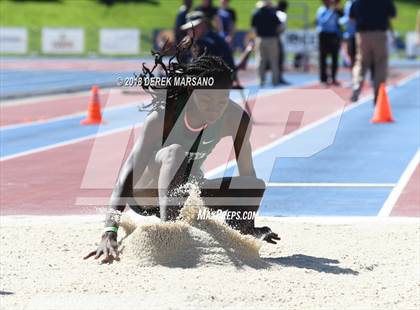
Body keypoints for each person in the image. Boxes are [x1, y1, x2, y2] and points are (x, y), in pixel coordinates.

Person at [84, 39, 280, 263]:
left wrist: (247, 224)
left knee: (254, 185)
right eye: (207, 99)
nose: (215, 108)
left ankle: (237, 236)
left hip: (186, 193)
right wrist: (109, 232)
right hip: (146, 195)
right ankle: (170, 235)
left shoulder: (237, 119)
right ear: (191, 90)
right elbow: (126, 176)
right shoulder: (163, 117)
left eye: (222, 101)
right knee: (175, 151)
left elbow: (247, 174)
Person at [350, 0, 397, 103]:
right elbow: (393, 15)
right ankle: (378, 94)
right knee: (380, 64)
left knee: (361, 63)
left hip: (362, 35)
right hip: (379, 34)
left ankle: (356, 86)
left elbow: (351, 17)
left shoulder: (357, 1)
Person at [251, 0, 282, 86]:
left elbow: (254, 29)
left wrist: (254, 39)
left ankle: (261, 80)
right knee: (274, 60)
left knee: (260, 60)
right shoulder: (272, 14)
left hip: (260, 39)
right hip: (272, 39)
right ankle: (275, 80)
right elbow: (279, 26)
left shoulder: (256, 14)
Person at [316, 0, 343, 86]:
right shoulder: (321, 10)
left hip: (333, 35)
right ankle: (323, 79)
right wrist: (331, 12)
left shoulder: (335, 10)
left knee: (334, 57)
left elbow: (341, 21)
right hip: (324, 35)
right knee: (323, 57)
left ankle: (333, 78)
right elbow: (323, 22)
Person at [275, 0, 290, 84]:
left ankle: (274, 77)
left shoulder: (273, 13)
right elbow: (281, 27)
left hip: (273, 38)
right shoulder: (283, 15)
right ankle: (279, 77)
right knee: (279, 59)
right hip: (279, 39)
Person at [340, 0, 356, 68]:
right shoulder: (348, 3)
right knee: (350, 53)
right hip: (349, 33)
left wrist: (341, 21)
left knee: (355, 55)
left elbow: (350, 18)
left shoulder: (355, 3)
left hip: (355, 33)